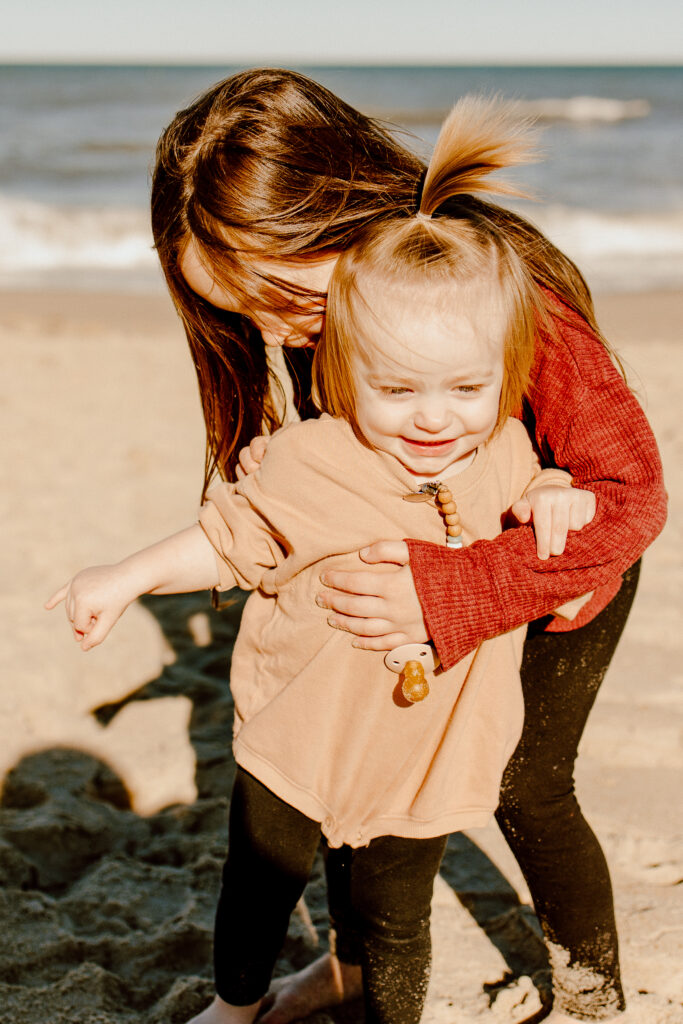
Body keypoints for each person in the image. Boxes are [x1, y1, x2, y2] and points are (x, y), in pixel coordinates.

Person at [46, 98, 599, 1024]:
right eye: (399, 389)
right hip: (299, 731)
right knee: (261, 881)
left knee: (393, 914)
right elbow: (229, 538)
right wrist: (128, 575)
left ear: (496, 377)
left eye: (464, 388)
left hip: (415, 747)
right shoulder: (310, 453)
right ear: (352, 360)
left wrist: (553, 494)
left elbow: (578, 488)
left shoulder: (503, 445)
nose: (434, 416)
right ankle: (235, 1005)